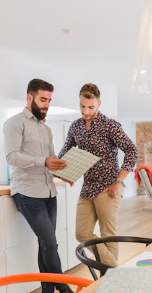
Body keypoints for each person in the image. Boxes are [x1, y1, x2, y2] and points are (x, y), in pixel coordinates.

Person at [3, 78, 74, 293]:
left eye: (49, 101)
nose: (46, 105)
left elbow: (50, 162)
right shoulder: (15, 123)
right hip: (27, 193)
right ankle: (65, 290)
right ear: (30, 97)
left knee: (46, 245)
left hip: (49, 192)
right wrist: (43, 161)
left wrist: (63, 172)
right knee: (50, 244)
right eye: (43, 99)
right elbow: (11, 156)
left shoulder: (46, 128)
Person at [58, 83, 138, 267]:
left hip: (109, 188)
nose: (85, 111)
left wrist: (119, 181)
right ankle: (114, 270)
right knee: (82, 234)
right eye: (82, 106)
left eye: (90, 107)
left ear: (99, 104)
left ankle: (107, 276)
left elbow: (132, 151)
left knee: (108, 235)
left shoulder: (110, 125)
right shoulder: (75, 127)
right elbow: (64, 153)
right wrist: (65, 173)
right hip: (87, 189)